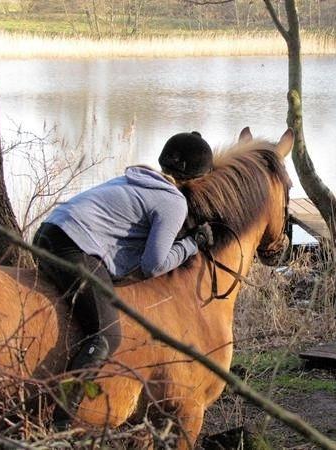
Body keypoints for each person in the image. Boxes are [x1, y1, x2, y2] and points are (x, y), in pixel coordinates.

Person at [33, 131, 214, 378]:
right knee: (107, 335)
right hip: (73, 246)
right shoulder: (173, 201)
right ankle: (63, 414)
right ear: (198, 178)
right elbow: (153, 265)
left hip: (47, 232)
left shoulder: (134, 178)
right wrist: (192, 244)